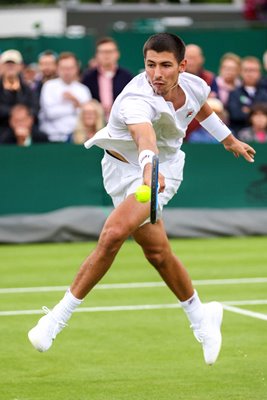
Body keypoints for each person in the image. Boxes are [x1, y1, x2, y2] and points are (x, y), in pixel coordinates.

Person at [28, 33, 255, 365]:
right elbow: (143, 135)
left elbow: (200, 109)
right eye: (150, 65)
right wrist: (149, 166)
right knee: (158, 253)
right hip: (126, 170)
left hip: (166, 171)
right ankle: (201, 316)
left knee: (113, 234)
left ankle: (55, 320)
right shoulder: (135, 97)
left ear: (182, 66)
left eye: (165, 65)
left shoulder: (193, 85)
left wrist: (228, 139)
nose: (157, 74)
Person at [38, 52, 92, 143]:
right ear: (57, 69)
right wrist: (75, 106)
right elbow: (50, 113)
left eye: (70, 68)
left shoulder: (83, 90)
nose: (67, 72)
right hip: (52, 138)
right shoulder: (48, 86)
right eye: (63, 68)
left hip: (78, 138)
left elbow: (88, 115)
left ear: (76, 69)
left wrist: (76, 103)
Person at [82, 37, 134, 121]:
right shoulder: (88, 77)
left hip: (121, 120)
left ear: (117, 54)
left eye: (110, 52)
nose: (106, 55)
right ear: (96, 55)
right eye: (102, 52)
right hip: (96, 122)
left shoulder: (127, 76)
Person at [184, 44, 219, 141]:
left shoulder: (210, 78)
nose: (190, 62)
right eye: (188, 58)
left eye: (194, 58)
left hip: (202, 133)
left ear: (201, 59)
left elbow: (216, 106)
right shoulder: (174, 78)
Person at [0, 49, 38, 134]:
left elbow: (35, 108)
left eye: (13, 64)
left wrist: (23, 116)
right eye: (7, 64)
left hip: (27, 128)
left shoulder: (28, 88)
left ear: (20, 66)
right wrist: (13, 112)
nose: (10, 67)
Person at [226, 56, 267, 135]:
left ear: (259, 73)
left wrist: (248, 110)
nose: (250, 74)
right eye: (246, 70)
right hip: (239, 135)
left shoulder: (265, 93)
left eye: (253, 70)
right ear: (241, 72)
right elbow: (235, 114)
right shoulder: (234, 93)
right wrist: (256, 112)